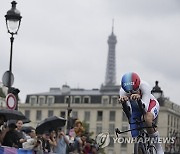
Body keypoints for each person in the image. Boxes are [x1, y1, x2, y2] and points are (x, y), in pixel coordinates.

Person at [119, 72, 164, 154]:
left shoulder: (144, 86)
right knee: (134, 133)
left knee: (146, 119)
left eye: (134, 91)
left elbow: (145, 108)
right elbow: (130, 112)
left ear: (138, 86)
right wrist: (124, 103)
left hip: (150, 104)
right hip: (135, 109)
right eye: (129, 92)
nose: (132, 93)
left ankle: (158, 147)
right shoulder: (122, 91)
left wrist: (139, 99)